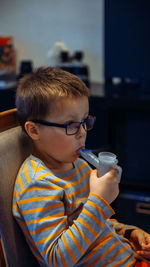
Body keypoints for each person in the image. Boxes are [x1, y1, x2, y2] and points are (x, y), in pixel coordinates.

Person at [13, 67, 150, 267]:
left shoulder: (78, 166)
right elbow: (57, 259)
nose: (82, 133)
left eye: (84, 121)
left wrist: (128, 232)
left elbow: (95, 225)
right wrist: (99, 200)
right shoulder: (39, 184)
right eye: (71, 125)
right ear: (34, 130)